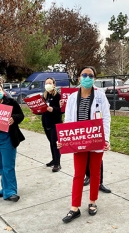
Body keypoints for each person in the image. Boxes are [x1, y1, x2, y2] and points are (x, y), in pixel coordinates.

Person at [58, 66, 111, 223]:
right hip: (78, 140)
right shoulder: (73, 97)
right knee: (78, 174)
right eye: (84, 75)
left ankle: (92, 202)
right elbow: (68, 120)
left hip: (96, 139)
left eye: (90, 75)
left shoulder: (101, 96)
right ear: (79, 78)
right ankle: (75, 207)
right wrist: (64, 139)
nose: (87, 78)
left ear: (94, 78)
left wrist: (105, 139)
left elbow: (106, 118)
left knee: (95, 172)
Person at [42, 77, 62, 172]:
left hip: (55, 123)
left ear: (54, 85)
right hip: (46, 123)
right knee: (51, 143)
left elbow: (61, 110)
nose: (48, 85)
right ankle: (54, 160)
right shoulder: (44, 96)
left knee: (55, 143)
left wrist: (53, 109)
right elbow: (41, 109)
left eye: (50, 83)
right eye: (46, 83)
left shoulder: (58, 96)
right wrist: (35, 109)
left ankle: (57, 163)